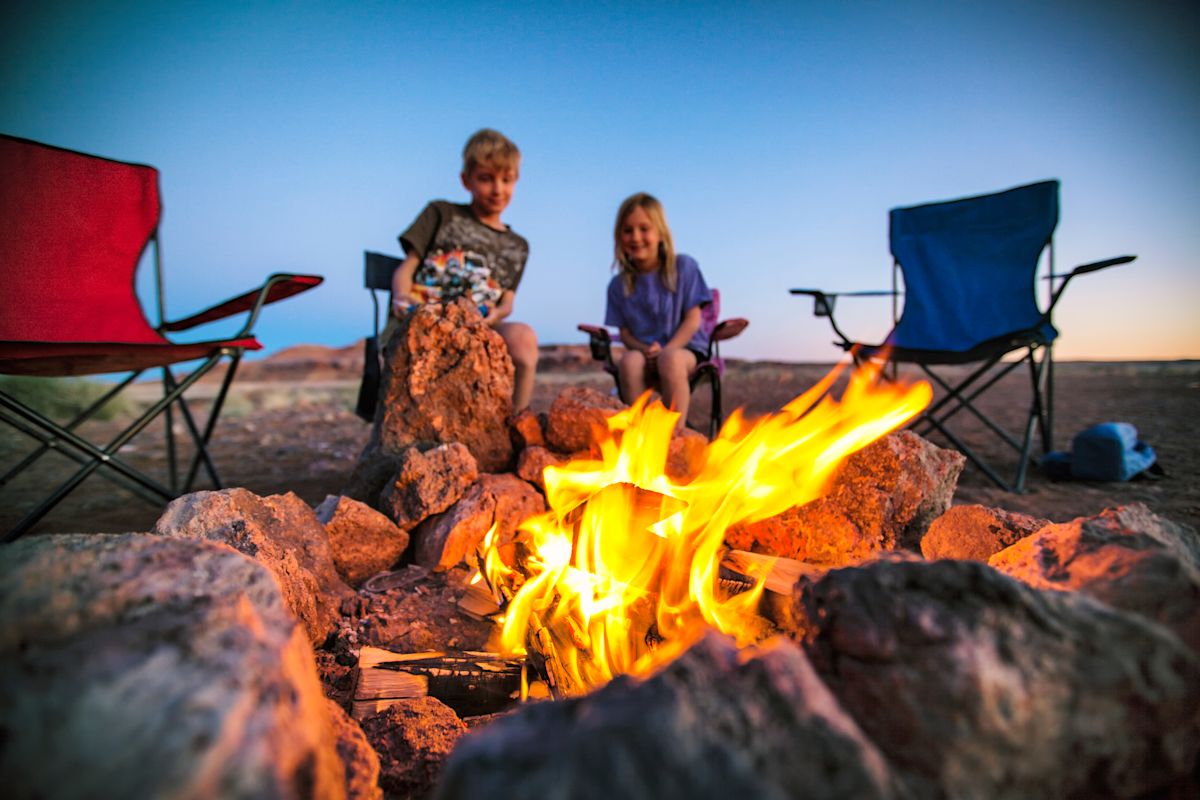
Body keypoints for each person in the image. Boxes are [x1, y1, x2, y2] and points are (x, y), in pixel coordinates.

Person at [390, 129, 538, 410]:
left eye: (506, 180)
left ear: (516, 181)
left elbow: (507, 300)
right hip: (425, 317)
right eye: (486, 179)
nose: (497, 189)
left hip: (479, 325)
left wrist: (497, 314)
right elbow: (406, 268)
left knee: (524, 339)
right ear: (465, 180)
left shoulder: (517, 246)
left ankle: (518, 423)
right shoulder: (442, 214)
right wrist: (401, 296)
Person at [605, 192, 712, 427]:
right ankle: (640, 436)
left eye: (644, 229)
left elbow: (693, 319)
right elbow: (624, 334)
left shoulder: (684, 267)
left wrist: (665, 350)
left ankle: (675, 436)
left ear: (661, 233)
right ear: (618, 236)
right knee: (629, 362)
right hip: (644, 352)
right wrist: (646, 349)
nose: (636, 237)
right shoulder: (618, 285)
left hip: (685, 349)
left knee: (671, 360)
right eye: (627, 230)